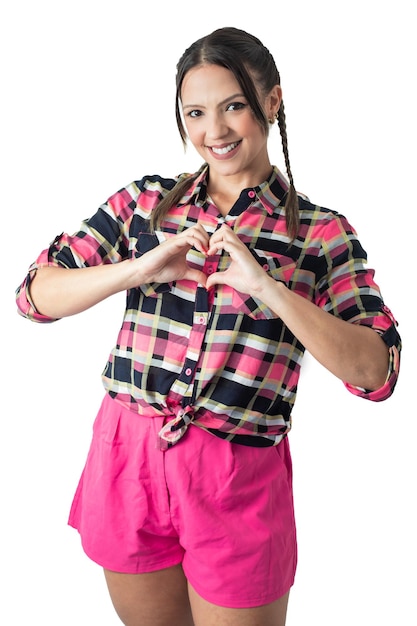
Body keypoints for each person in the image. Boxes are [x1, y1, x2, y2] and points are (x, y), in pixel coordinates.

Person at [15, 26, 401, 626]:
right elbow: (34, 296)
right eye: (195, 113)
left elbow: (376, 372)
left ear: (272, 101)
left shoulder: (322, 236)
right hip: (127, 455)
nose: (214, 132)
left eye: (234, 106)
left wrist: (268, 289)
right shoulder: (144, 206)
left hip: (236, 473)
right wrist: (137, 268)